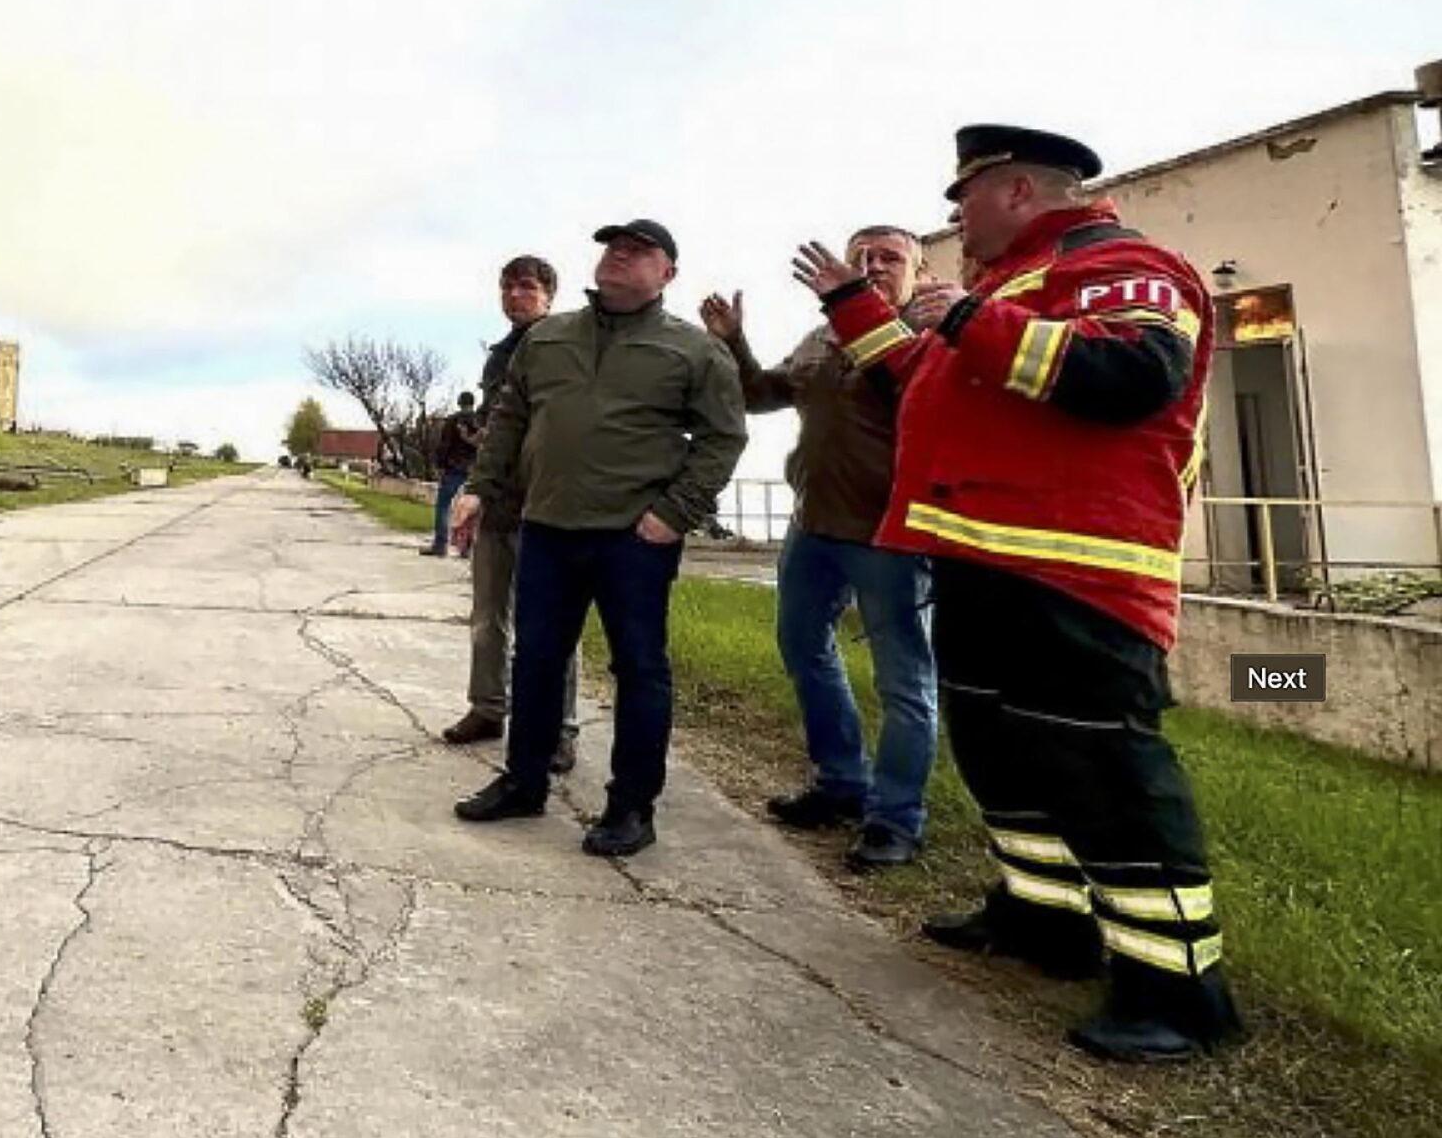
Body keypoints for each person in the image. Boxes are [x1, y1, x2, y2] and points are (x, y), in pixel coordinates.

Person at [799, 126, 1242, 1062]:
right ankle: (1041, 921)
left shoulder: (1127, 262)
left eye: (966, 199)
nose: (955, 217)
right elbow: (930, 375)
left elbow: (1132, 376)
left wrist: (968, 320)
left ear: (1022, 190)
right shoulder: (1002, 289)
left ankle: (1178, 990)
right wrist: (851, 305)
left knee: (1103, 771)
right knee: (1003, 754)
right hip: (982, 558)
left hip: (1075, 569)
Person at [450, 220, 747, 856]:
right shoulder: (549, 339)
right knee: (536, 659)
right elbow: (509, 418)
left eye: (638, 250)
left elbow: (724, 438)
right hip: (549, 527)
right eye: (612, 246)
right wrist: (478, 486)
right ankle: (524, 782)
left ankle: (631, 807)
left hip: (633, 539)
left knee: (639, 668)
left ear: (667, 272)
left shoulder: (695, 351)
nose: (618, 256)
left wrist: (675, 513)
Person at [701, 227, 940, 870]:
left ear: (921, 270)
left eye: (889, 258)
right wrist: (733, 343)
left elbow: (926, 403)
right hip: (815, 526)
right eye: (861, 255)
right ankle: (841, 782)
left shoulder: (929, 335)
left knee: (905, 682)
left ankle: (895, 819)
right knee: (803, 647)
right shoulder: (823, 336)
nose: (871, 265)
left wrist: (860, 307)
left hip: (891, 535)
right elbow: (762, 395)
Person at [439, 256, 581, 774]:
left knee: (551, 626)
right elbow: (500, 425)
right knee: (487, 616)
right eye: (507, 286)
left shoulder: (564, 344)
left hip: (546, 504)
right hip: (497, 502)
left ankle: (560, 730)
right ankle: (487, 707)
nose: (515, 294)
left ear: (548, 295)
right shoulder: (500, 354)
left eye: (526, 286)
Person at [425, 391, 483, 556]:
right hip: (474, 468)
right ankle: (467, 547)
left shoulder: (453, 421)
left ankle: (440, 544)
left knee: (443, 505)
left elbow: (445, 445)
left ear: (459, 402)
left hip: (454, 466)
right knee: (471, 508)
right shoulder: (480, 421)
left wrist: (439, 465)